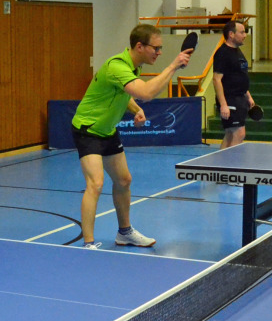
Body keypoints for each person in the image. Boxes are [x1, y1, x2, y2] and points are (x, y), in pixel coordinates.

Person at [71, 24, 191, 249]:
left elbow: (124, 94)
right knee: (96, 183)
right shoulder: (117, 66)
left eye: (161, 48)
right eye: (156, 48)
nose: (159, 53)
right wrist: (173, 65)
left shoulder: (133, 68)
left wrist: (136, 109)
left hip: (107, 130)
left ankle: (124, 233)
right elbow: (146, 92)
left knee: (124, 180)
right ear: (139, 46)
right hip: (88, 128)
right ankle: (88, 244)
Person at [212, 20, 255, 149]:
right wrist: (223, 105)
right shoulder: (222, 53)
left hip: (240, 98)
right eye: (242, 32)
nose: (245, 35)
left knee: (230, 135)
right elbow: (216, 79)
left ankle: (221, 161)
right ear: (231, 34)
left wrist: (248, 96)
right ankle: (231, 161)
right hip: (230, 99)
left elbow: (239, 75)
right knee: (239, 133)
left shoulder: (237, 51)